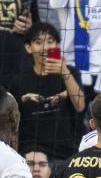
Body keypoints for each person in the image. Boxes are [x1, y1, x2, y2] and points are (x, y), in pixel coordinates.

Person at [7, 22, 86, 161]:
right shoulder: (18, 81)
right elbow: (13, 125)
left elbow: (80, 106)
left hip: (65, 155)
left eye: (50, 41)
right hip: (31, 156)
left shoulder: (71, 73)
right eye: (38, 42)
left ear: (57, 45)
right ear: (28, 47)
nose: (45, 47)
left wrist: (64, 72)